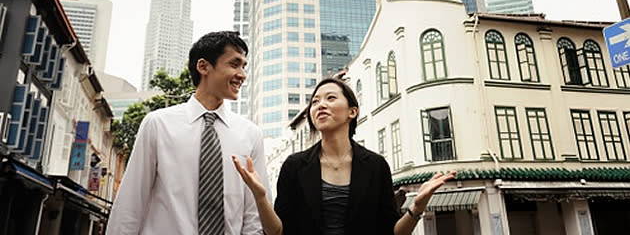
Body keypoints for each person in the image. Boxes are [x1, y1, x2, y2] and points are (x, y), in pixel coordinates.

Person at [233, 77, 455, 235]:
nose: (320, 105)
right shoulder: (295, 165)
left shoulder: (376, 166)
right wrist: (260, 198)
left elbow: (393, 231)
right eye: (315, 101)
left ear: (352, 111)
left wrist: (416, 207)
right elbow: (278, 232)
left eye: (330, 98)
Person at [107, 31, 271, 235]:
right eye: (234, 64)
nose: (243, 75)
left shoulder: (251, 134)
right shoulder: (158, 124)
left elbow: (254, 214)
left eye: (244, 67)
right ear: (203, 66)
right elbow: (131, 203)